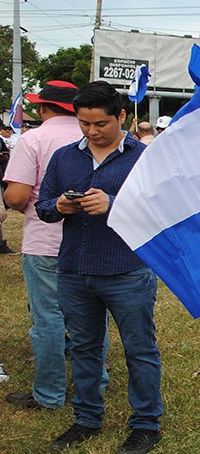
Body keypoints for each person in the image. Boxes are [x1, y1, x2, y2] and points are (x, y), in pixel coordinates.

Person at [35, 81, 163, 453]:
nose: (92, 131)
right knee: (84, 348)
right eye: (84, 123)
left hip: (127, 270)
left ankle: (146, 423)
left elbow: (159, 210)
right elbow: (43, 206)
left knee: (139, 349)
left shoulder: (143, 158)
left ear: (121, 116)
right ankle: (87, 418)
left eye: (101, 124)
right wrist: (59, 206)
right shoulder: (64, 157)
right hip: (74, 269)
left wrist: (114, 204)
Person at [3, 81, 84, 410]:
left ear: (43, 107)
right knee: (90, 319)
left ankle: (50, 393)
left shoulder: (34, 139)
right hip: (90, 243)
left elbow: (17, 195)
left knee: (48, 319)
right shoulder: (96, 136)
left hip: (46, 241)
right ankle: (94, 384)